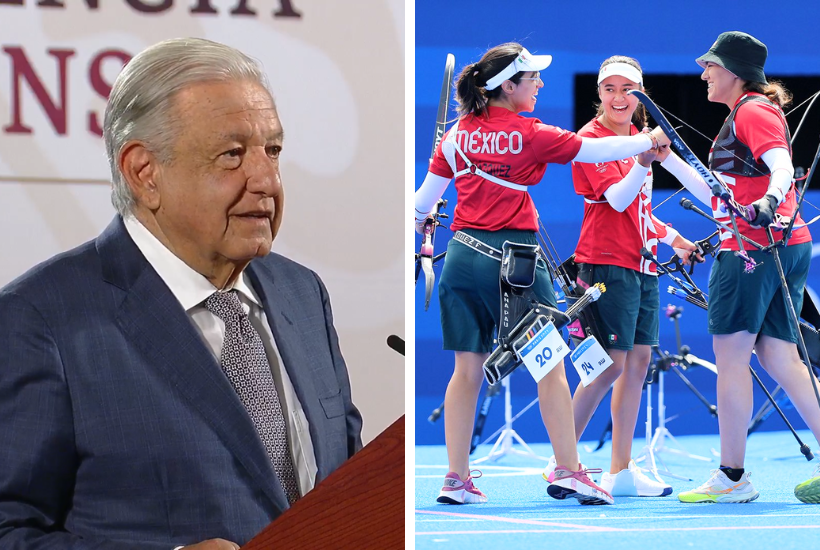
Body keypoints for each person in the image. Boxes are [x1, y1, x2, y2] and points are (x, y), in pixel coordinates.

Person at [0, 38, 362, 549]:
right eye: (232, 155)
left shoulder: (302, 293)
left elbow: (345, 488)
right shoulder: (39, 320)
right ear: (145, 173)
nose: (266, 179)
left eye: (273, 150)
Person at [414, 42, 670, 506]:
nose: (540, 84)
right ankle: (571, 471)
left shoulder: (456, 136)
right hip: (514, 264)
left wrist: (423, 222)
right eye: (532, 78)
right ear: (508, 87)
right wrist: (648, 142)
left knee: (466, 369)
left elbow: (420, 204)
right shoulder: (531, 132)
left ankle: (456, 477)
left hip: (459, 259)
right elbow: (597, 149)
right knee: (550, 365)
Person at [657, 31, 820, 504]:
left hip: (753, 249)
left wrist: (771, 199)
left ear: (732, 70)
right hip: (778, 245)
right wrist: (670, 161)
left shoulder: (752, 110)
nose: (703, 73)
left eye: (710, 66)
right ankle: (733, 476)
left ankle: (732, 478)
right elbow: (719, 197)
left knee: (732, 360)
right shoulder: (745, 113)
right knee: (780, 358)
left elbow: (783, 166)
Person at [540, 56, 701, 498]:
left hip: (643, 265)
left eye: (627, 89)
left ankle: (621, 469)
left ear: (640, 95)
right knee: (609, 365)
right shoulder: (590, 140)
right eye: (609, 88)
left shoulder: (637, 139)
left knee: (639, 364)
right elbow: (614, 199)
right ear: (599, 94)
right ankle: (562, 462)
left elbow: (641, 211)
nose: (617, 97)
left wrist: (676, 239)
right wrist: (645, 160)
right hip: (606, 264)